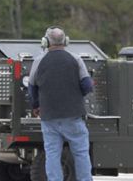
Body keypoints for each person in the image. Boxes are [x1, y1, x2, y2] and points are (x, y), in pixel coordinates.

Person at [28, 27, 94, 181]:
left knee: (52, 154)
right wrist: (76, 96)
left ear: (45, 42)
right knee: (81, 153)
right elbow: (87, 86)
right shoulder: (76, 59)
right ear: (65, 41)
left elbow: (31, 88)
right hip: (73, 116)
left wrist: (36, 106)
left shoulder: (39, 61)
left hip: (49, 117)